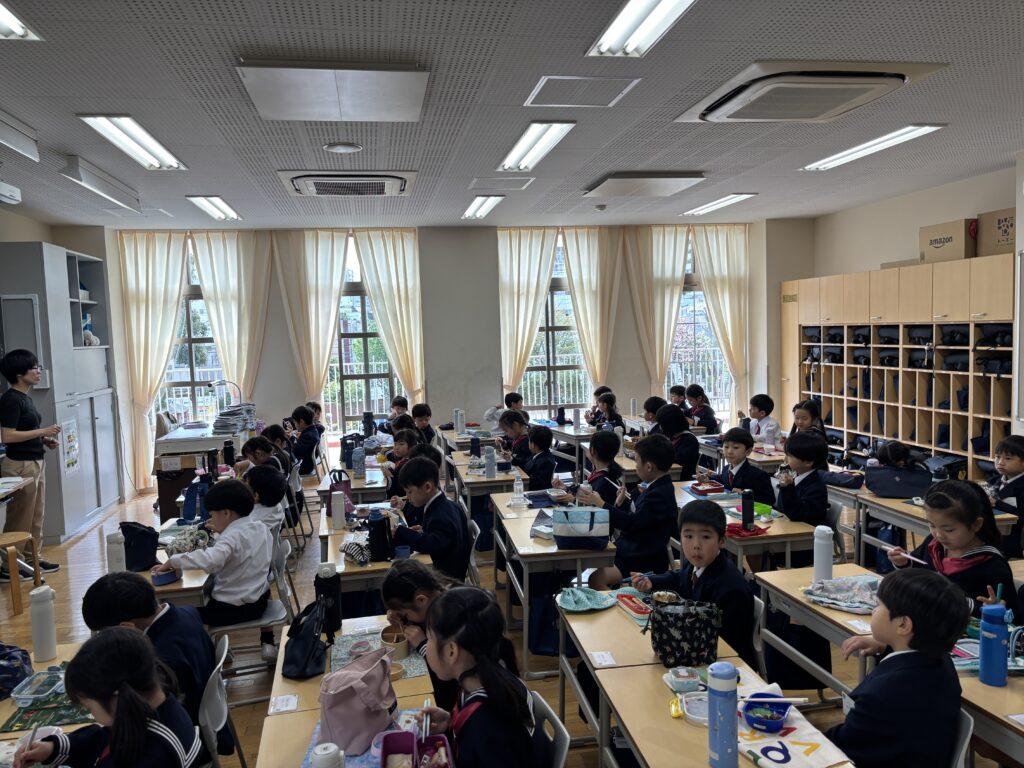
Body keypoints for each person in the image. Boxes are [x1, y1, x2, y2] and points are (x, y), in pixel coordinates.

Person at [826, 569, 970, 768]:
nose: (874, 611)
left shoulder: (882, 695)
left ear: (903, 625)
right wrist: (884, 646)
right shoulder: (941, 660)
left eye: (879, 605)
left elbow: (839, 747)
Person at [13, 627, 201, 768]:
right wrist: (53, 749)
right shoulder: (160, 710)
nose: (92, 715)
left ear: (116, 697)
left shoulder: (154, 755)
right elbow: (109, 738)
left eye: (89, 708)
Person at [417, 588, 543, 768]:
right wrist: (450, 722)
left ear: (451, 651)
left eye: (429, 638)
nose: (427, 645)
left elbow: (487, 738)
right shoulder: (490, 676)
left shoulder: (487, 728)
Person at [81, 572, 215, 731]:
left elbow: (144, 718)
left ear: (126, 628)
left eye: (104, 634)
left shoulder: (163, 660)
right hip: (206, 717)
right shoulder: (186, 612)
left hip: (187, 730)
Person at [631, 500, 756, 667]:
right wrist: (650, 581)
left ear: (721, 541)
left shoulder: (732, 589)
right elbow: (679, 578)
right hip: (695, 652)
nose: (696, 545)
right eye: (688, 536)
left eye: (705, 537)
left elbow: (729, 649)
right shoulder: (698, 564)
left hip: (724, 666)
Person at [152, 480, 274, 628]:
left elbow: (211, 561)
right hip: (260, 602)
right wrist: (225, 533)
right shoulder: (261, 528)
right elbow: (241, 552)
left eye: (212, 515)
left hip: (231, 610)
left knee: (176, 610)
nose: (211, 519)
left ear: (226, 513)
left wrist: (174, 561)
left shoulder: (231, 537)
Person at [887, 480, 1018, 617]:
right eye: (932, 525)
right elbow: (916, 569)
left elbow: (1013, 616)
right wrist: (903, 562)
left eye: (949, 530)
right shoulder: (934, 545)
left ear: (976, 525)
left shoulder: (993, 565)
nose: (938, 534)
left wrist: (993, 609)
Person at [0, 349, 61, 582]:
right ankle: (10, 566)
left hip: (35, 460)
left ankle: (31, 558)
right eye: (33, 368)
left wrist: (43, 439)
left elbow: (24, 431)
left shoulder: (25, 397)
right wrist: (43, 431)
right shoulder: (11, 399)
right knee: (20, 518)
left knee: (36, 516)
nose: (38, 371)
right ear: (19, 373)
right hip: (19, 465)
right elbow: (8, 436)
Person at [589, 434, 677, 589]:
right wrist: (621, 503)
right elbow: (638, 519)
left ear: (649, 467)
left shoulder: (658, 495)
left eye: (636, 461)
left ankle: (618, 602)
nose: (635, 466)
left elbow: (632, 524)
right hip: (636, 549)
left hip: (643, 557)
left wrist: (602, 504)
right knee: (596, 564)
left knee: (596, 580)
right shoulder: (656, 486)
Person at [381, 560, 461, 711]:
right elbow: (417, 613)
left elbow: (446, 671)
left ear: (421, 600)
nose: (405, 617)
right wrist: (401, 615)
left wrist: (423, 644)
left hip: (451, 698)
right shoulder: (433, 592)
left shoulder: (449, 618)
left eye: (406, 613)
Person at [392, 458, 471, 581]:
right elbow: (442, 538)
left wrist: (402, 532)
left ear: (427, 487)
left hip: (446, 579)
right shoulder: (447, 505)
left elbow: (433, 545)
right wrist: (424, 532)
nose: (407, 497)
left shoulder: (440, 514)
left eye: (410, 492)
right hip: (451, 570)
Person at [698, 427, 774, 506]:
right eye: (726, 447)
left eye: (736, 448)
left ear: (748, 451)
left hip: (747, 512)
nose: (729, 451)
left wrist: (746, 496)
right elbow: (723, 480)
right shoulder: (726, 469)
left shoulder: (759, 476)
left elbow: (769, 501)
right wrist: (709, 479)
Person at [775, 431, 830, 531]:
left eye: (790, 455)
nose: (785, 458)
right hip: (788, 528)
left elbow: (797, 514)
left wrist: (787, 488)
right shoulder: (795, 478)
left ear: (808, 462)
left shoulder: (816, 488)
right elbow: (782, 508)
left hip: (806, 535)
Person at [557, 429, 623, 508]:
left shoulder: (604, 482)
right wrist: (566, 488)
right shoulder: (604, 473)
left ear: (592, 450)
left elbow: (595, 509)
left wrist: (574, 500)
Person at [393, 444, 444, 527]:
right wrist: (403, 506)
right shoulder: (425, 496)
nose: (410, 468)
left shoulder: (438, 515)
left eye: (409, 492)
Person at [990, 435, 1024, 557]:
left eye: (1008, 458)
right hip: (994, 532)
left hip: (1013, 542)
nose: (1000, 462)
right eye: (997, 457)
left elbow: (1021, 516)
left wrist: (996, 503)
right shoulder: (994, 480)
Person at [655, 403, 699, 480]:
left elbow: (676, 460)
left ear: (671, 424)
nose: (660, 428)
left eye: (662, 425)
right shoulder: (674, 437)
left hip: (682, 478)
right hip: (669, 474)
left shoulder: (689, 440)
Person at [244, 464, 288, 533]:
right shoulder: (275, 505)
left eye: (246, 484)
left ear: (255, 496)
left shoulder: (249, 522)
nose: (243, 486)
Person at [383, 428, 419, 499]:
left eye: (401, 444)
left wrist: (389, 476)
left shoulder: (409, 465)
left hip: (400, 500)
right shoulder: (403, 459)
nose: (396, 447)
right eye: (395, 444)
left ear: (411, 446)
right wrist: (390, 470)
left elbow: (399, 490)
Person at [520, 425, 557, 491]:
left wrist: (523, 479)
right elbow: (524, 463)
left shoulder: (546, 462)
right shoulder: (537, 454)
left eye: (529, 441)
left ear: (533, 445)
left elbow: (538, 484)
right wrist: (511, 459)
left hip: (535, 492)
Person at [290, 404, 320, 475]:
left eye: (295, 422)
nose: (295, 425)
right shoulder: (312, 431)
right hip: (308, 465)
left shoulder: (308, 436)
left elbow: (296, 453)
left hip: (304, 468)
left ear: (301, 422)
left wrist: (292, 438)